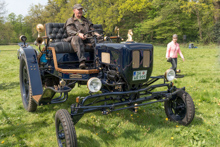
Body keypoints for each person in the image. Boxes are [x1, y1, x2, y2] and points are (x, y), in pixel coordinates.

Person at [63, 4, 101, 69]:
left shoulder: (86, 20)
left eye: (81, 9)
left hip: (87, 37)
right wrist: (78, 34)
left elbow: (92, 30)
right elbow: (70, 31)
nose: (80, 11)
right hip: (75, 38)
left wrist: (97, 34)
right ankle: (82, 62)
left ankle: (101, 60)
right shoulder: (70, 20)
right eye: (78, 9)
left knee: (99, 39)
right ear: (74, 10)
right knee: (76, 38)